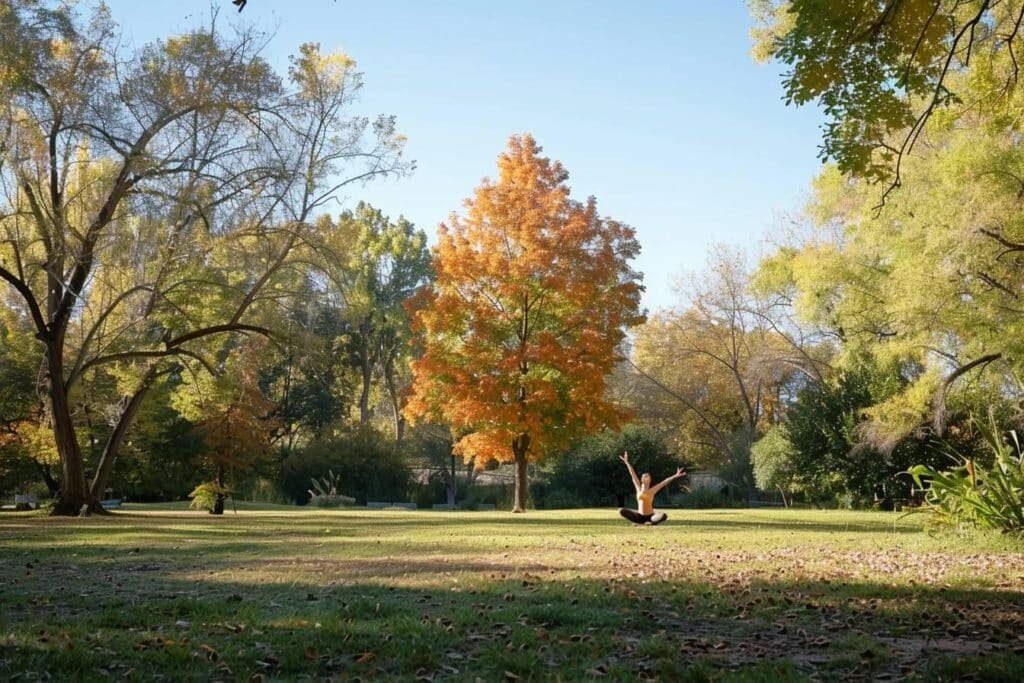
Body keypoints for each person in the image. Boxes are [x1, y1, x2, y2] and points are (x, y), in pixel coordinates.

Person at [618, 451, 685, 525]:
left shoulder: (652, 490)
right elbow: (632, 474)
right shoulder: (638, 489)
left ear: (650, 480)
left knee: (663, 516)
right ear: (642, 479)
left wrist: (675, 475)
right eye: (644, 476)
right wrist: (627, 462)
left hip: (651, 516)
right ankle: (640, 522)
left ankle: (650, 522)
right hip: (639, 516)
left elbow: (665, 482)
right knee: (621, 511)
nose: (646, 478)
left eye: (648, 477)